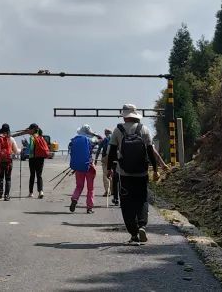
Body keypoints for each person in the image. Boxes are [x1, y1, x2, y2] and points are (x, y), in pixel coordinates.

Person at [108, 104, 169, 244]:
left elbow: (112, 151)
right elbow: (150, 151)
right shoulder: (144, 129)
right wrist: (155, 169)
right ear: (135, 116)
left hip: (124, 173)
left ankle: (133, 234)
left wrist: (109, 169)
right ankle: (142, 226)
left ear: (124, 116)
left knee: (126, 203)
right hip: (141, 173)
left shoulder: (118, 130)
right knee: (141, 199)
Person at [67, 124, 98, 213]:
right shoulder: (91, 140)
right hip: (89, 166)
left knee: (79, 186)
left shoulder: (75, 140)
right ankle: (89, 207)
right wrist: (94, 134)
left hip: (79, 167)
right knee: (90, 188)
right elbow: (100, 140)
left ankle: (74, 198)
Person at [0, 123, 19, 199]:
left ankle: (0, 192)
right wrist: (21, 150)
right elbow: (16, 151)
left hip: (0, 160)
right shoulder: (11, 139)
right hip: (8, 161)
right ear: (8, 130)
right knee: (8, 178)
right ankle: (6, 195)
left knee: (1, 177)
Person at [27, 123, 50, 198]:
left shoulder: (32, 137)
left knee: (32, 175)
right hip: (40, 158)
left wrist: (25, 150)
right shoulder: (41, 137)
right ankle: (41, 192)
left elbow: (31, 149)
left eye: (30, 129)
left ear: (33, 129)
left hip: (33, 158)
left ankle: (31, 193)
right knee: (39, 175)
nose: (29, 130)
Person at [95, 128, 112, 198]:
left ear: (106, 133)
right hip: (114, 158)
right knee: (112, 174)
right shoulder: (114, 138)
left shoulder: (105, 140)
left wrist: (96, 159)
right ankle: (113, 190)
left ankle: (107, 191)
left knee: (105, 174)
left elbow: (99, 149)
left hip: (105, 158)